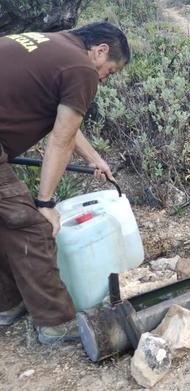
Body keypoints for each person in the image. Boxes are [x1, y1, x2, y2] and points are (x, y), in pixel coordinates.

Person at [0, 22, 130, 344]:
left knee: (6, 221)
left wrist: (93, 158)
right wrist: (45, 204)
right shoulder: (82, 69)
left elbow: (66, 122)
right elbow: (59, 139)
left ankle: (8, 304)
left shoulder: (52, 44)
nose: (104, 79)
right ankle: (56, 324)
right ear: (100, 51)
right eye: (110, 71)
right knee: (31, 225)